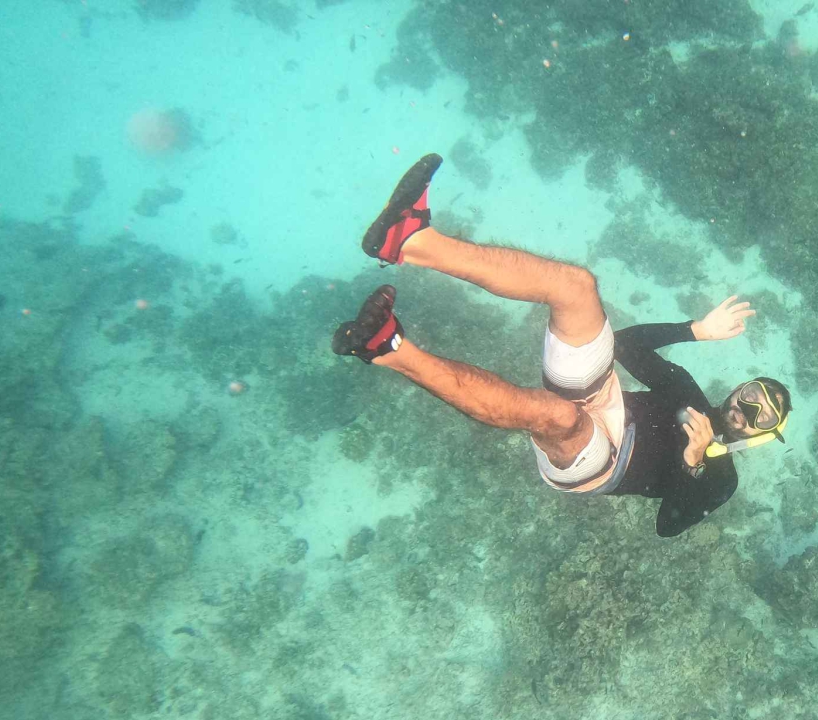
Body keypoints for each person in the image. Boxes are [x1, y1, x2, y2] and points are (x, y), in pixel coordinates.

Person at [330, 153, 793, 538]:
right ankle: (411, 241)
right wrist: (695, 330)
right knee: (577, 286)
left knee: (557, 415)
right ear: (739, 387)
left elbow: (667, 526)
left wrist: (692, 464)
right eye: (752, 395)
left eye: (764, 415)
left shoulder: (722, 480)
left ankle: (388, 347)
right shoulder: (687, 393)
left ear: (765, 436)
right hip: (605, 399)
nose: (747, 411)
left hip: (603, 465)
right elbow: (626, 345)